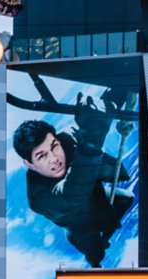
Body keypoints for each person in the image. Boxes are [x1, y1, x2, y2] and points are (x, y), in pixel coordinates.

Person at [10, 106, 136, 268]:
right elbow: (72, 195)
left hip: (93, 198)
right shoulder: (38, 199)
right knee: (96, 252)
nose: (54, 158)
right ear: (30, 164)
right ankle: (94, 259)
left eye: (54, 146)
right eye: (42, 156)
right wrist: (90, 145)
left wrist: (99, 119)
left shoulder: (67, 142)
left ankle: (105, 236)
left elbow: (118, 173)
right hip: (78, 224)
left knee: (126, 198)